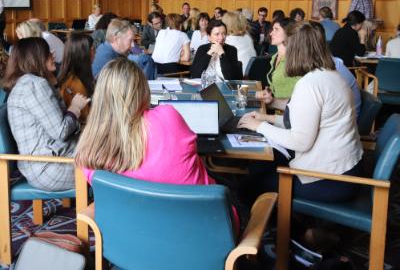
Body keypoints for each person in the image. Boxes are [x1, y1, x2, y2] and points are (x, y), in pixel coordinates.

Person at [238, 22, 363, 203]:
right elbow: (306, 120)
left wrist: (260, 126)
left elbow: (300, 141)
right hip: (346, 168)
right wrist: (268, 117)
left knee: (250, 186)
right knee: (262, 167)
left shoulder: (310, 84)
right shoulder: (330, 75)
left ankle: (292, 229)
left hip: (330, 179)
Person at [75, 58, 214, 187]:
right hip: (201, 210)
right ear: (143, 90)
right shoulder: (168, 117)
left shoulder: (88, 152)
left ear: (99, 97)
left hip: (128, 213)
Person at [4, 37, 89, 191]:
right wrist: (75, 108)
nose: (53, 53)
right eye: (47, 51)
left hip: (42, 163)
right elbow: (61, 131)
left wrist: (53, 82)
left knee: (106, 150)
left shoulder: (28, 83)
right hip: (50, 167)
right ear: (35, 58)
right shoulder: (34, 84)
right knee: (110, 161)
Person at [256, 17, 300, 103]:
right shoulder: (274, 57)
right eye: (272, 29)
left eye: (276, 29)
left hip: (286, 111)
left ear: (288, 33)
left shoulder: (294, 60)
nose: (271, 33)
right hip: (273, 105)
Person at [58, 34, 94, 123]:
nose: (95, 53)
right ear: (85, 54)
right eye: (93, 50)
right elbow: (85, 117)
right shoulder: (74, 83)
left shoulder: (76, 76)